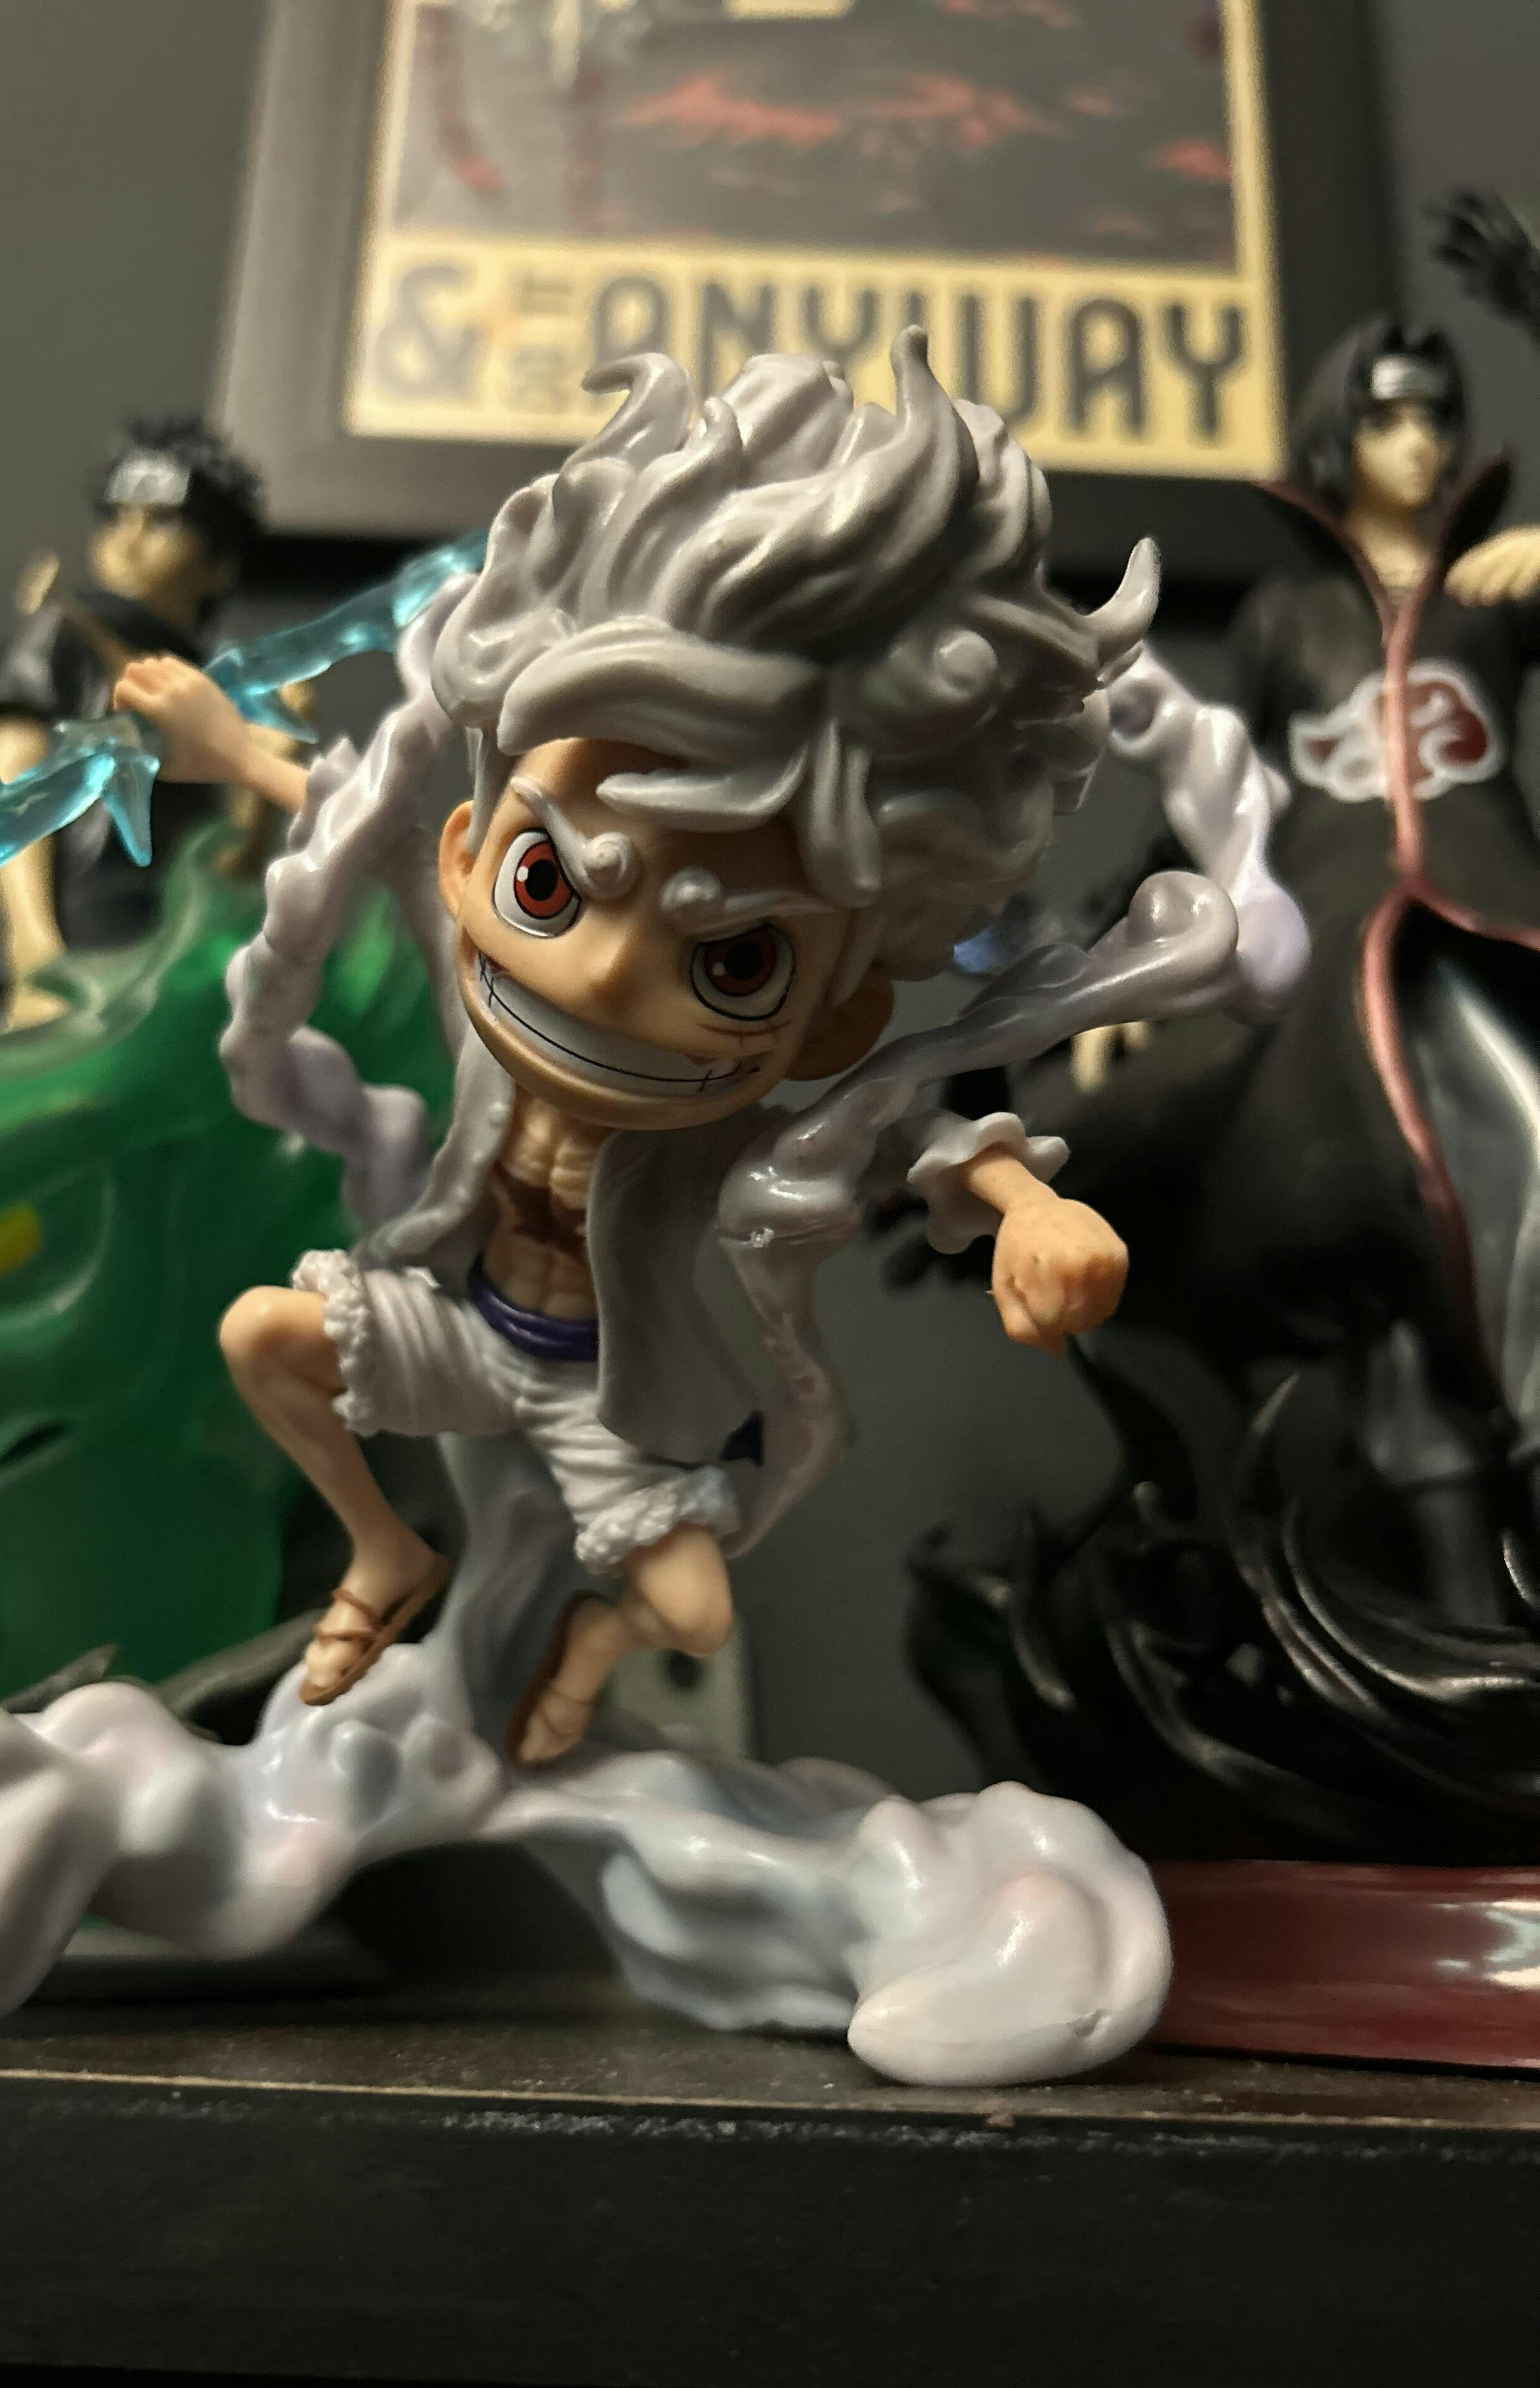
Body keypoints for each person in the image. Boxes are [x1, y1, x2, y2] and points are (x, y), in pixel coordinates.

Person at [117, 332, 1154, 1762]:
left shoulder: (726, 1130)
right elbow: (371, 831)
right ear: (478, 853)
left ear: (833, 1013)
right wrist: (236, 751)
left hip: (601, 1398)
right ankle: (384, 1549)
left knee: (692, 1613)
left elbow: (904, 1133)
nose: (603, 981)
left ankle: (589, 1643)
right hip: (461, 1326)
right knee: (266, 1339)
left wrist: (1027, 1205)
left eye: (734, 961)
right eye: (549, 883)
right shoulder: (477, 981)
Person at [1018, 317, 1540, 1622]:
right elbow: (1216, 802)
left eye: (1433, 416)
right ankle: (1464, 1615)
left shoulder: (1494, 595)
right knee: (1375, 1236)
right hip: (1331, 965)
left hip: (1492, 929)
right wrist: (1134, 955)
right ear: (1336, 436)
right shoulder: (1284, 618)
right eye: (1385, 418)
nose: (1415, 443)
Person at [0, 417, 308, 1028]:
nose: (127, 541)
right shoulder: (63, 637)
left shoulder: (216, 689)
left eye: (162, 523)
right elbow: (11, 778)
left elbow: (223, 879)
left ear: (218, 564)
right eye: (116, 517)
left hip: (169, 963)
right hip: (80, 946)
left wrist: (264, 783)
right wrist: (32, 950)